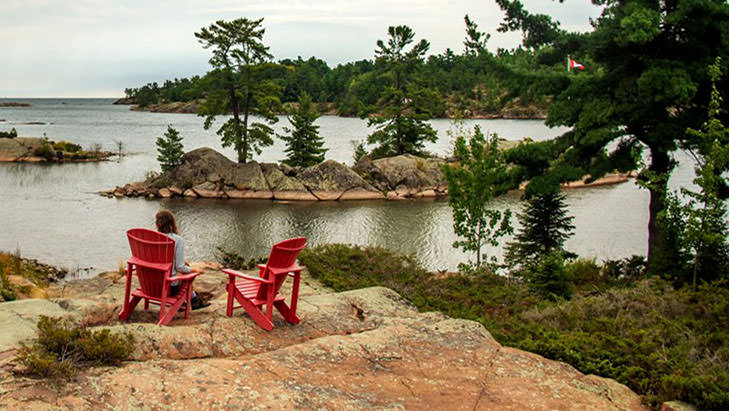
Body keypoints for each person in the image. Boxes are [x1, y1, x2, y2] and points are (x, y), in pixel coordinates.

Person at [155, 210, 209, 310]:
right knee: (186, 273)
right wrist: (194, 270)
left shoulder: (151, 238)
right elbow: (180, 267)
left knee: (182, 270)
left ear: (157, 224)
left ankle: (192, 301)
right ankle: (193, 300)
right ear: (172, 223)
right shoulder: (177, 240)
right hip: (169, 288)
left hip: (152, 285)